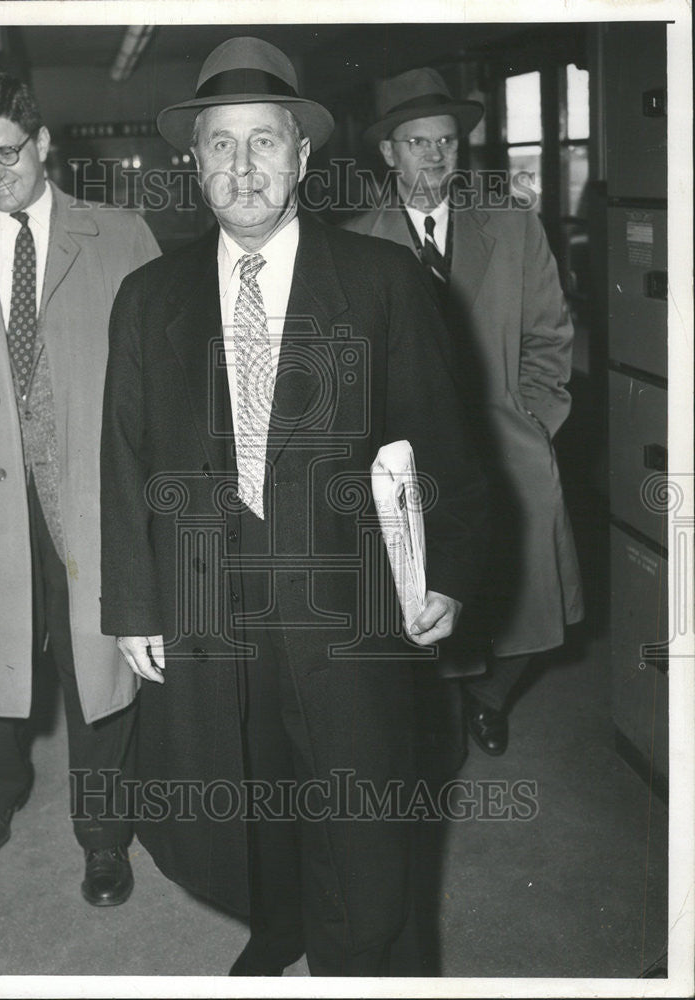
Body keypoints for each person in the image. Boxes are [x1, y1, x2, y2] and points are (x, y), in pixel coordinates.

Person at [100, 37, 488, 976]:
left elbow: (445, 445)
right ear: (194, 163)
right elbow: (122, 458)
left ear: (303, 157)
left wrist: (452, 577)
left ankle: (366, 961)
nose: (242, 168)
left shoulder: (380, 281)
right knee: (246, 790)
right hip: (211, 612)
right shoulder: (148, 298)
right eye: (221, 146)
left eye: (264, 142)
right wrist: (134, 606)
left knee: (362, 814)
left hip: (348, 610)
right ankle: (282, 925)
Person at [0, 72, 160, 905]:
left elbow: (167, 373)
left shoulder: (121, 234)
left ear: (44, 143)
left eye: (8, 153)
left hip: (90, 502)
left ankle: (102, 835)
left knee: (101, 671)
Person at [344, 68, 584, 755]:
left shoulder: (511, 225)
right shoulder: (356, 242)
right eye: (417, 142)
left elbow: (549, 338)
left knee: (528, 609)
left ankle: (490, 696)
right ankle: (444, 707)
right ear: (388, 152)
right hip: (409, 463)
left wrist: (531, 425)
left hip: (506, 447)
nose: (436, 156)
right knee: (425, 603)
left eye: (446, 141)